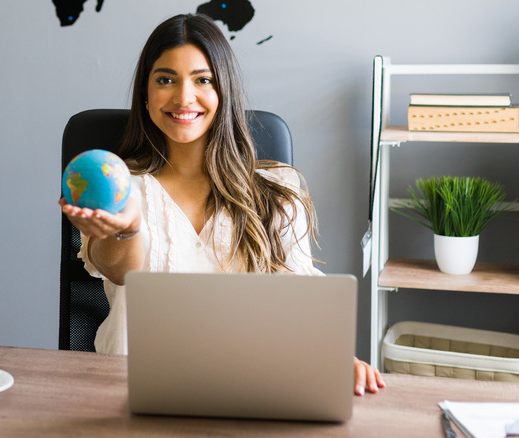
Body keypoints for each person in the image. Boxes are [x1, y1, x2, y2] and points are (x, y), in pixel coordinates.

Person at [59, 13, 385, 396]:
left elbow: (298, 299)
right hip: (130, 392)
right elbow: (117, 271)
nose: (184, 97)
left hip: (249, 389)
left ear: (223, 91)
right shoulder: (120, 189)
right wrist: (128, 227)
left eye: (203, 80)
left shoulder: (276, 190)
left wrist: (332, 355)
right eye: (166, 79)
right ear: (145, 97)